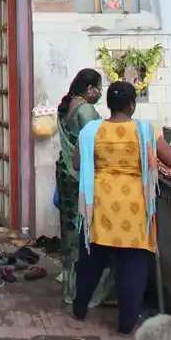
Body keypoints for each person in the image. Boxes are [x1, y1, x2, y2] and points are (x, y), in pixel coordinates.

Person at [73, 81, 171, 335]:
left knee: (90, 262)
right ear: (132, 104)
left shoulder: (91, 131)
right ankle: (126, 324)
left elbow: (78, 162)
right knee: (132, 266)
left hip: (98, 206)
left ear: (108, 104)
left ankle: (79, 310)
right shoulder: (146, 131)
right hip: (133, 210)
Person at [56, 68, 111, 307]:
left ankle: (69, 288)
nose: (100, 93)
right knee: (87, 230)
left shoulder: (66, 106)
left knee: (69, 230)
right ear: (90, 89)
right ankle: (88, 290)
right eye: (99, 88)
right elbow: (96, 144)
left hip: (65, 173)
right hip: (81, 176)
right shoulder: (86, 110)